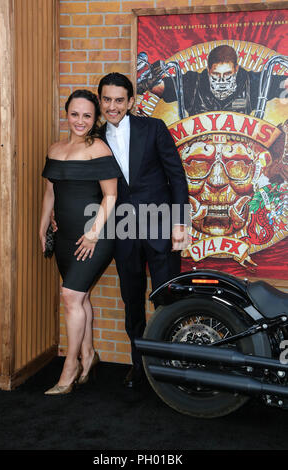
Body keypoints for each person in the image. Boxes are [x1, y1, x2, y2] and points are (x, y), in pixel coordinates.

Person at [97, 73, 189, 389]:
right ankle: (139, 367)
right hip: (123, 233)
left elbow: (177, 177)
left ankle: (170, 368)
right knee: (132, 300)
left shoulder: (153, 129)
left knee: (167, 300)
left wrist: (181, 224)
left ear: (130, 102)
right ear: (100, 101)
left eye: (119, 100)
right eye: (106, 99)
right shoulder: (95, 139)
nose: (112, 106)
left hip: (161, 226)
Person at [39, 89, 121, 395]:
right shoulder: (55, 148)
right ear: (67, 114)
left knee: (70, 296)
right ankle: (89, 356)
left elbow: (111, 196)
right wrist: (43, 222)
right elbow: (51, 192)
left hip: (95, 236)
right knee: (81, 297)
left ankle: (69, 367)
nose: (80, 121)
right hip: (64, 236)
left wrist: (93, 233)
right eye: (75, 114)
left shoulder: (98, 148)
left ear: (95, 118)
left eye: (87, 115)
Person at [137, 44, 288, 116]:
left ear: (236, 69)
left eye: (227, 74)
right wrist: (147, 78)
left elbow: (283, 84)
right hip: (199, 153)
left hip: (239, 155)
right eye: (216, 74)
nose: (222, 80)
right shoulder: (193, 83)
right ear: (208, 70)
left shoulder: (251, 83)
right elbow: (160, 88)